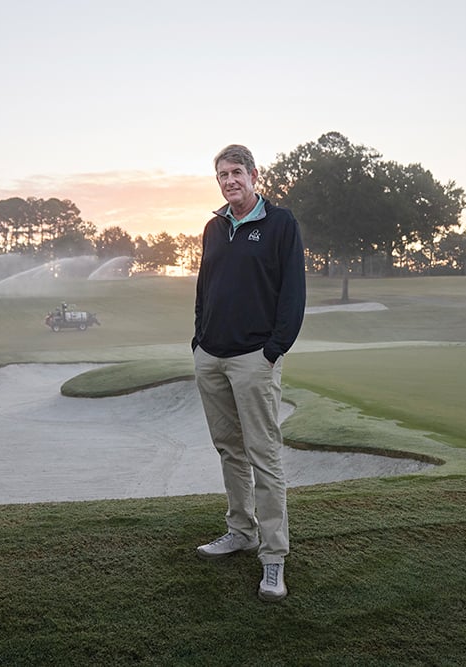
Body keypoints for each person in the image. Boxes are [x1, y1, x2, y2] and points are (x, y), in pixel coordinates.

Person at [192, 144, 306, 602]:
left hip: (253, 359)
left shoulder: (281, 224)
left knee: (265, 455)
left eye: (236, 172)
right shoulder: (213, 227)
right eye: (222, 174)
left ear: (254, 175)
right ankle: (240, 530)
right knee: (229, 449)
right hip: (211, 357)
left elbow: (293, 294)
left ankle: (273, 557)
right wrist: (198, 339)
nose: (229, 180)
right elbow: (205, 286)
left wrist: (273, 350)